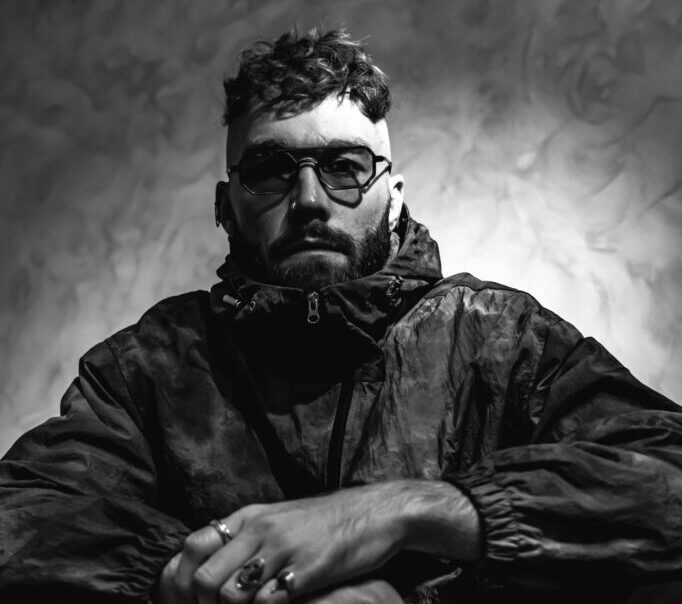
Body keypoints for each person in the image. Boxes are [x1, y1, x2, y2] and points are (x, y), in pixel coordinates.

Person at [1, 28, 682, 604]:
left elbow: (665, 478)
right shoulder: (150, 366)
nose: (308, 199)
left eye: (345, 166)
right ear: (225, 206)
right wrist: (234, 579)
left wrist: (402, 514)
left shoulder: (501, 336)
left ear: (394, 196)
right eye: (271, 169)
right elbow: (22, 520)